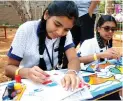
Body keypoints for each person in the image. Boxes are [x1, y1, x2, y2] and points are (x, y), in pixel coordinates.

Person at [5, 1, 81, 91]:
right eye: (57, 24)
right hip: (26, 86)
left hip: (50, 85)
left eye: (66, 29)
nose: (60, 32)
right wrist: (27, 72)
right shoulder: (26, 30)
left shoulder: (66, 35)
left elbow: (74, 59)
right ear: (46, 14)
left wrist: (72, 73)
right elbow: (8, 69)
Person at [77, 15, 121, 100]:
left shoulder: (107, 44)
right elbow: (77, 60)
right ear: (98, 29)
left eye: (113, 29)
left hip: (103, 82)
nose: (110, 32)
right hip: (90, 86)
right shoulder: (89, 43)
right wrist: (99, 55)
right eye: (107, 28)